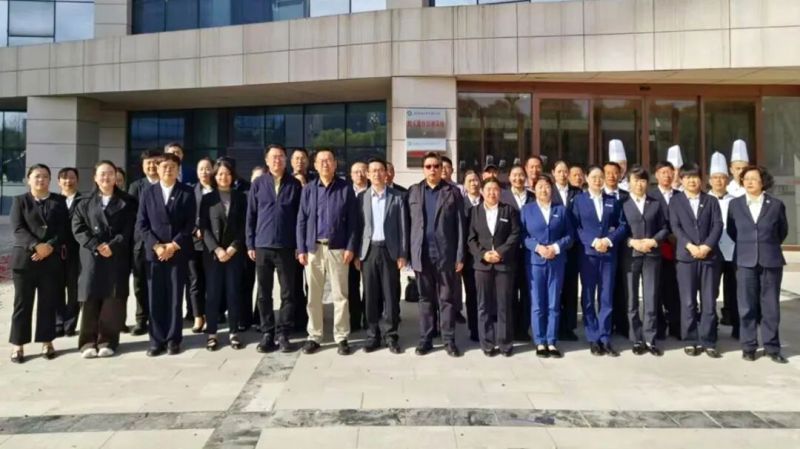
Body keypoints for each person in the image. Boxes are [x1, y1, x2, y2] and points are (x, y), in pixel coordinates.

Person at [297, 149, 359, 355]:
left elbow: (353, 222)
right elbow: (301, 220)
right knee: (313, 296)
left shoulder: (345, 188)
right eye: (321, 161)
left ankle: (341, 337)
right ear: (315, 165)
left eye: (329, 160)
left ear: (335, 164)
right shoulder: (308, 189)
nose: (325, 163)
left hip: (338, 249)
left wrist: (350, 247)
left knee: (341, 295)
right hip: (313, 249)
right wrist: (301, 248)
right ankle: (314, 336)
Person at [72, 161, 137, 358]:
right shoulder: (84, 202)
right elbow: (78, 227)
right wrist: (96, 245)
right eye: (102, 174)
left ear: (116, 177)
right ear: (95, 177)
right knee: (90, 298)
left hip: (116, 255)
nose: (106, 177)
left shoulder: (128, 201)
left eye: (110, 173)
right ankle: (87, 342)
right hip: (92, 257)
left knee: (113, 299)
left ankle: (108, 341)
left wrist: (113, 245)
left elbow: (130, 228)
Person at [136, 153, 196, 356]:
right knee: (155, 298)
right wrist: (157, 246)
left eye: (172, 166)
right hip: (155, 254)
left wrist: (173, 245)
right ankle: (156, 340)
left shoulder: (187, 192)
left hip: (176, 252)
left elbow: (190, 223)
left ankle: (173, 339)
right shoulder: (148, 192)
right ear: (157, 169)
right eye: (164, 166)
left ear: (178, 169)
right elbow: (141, 224)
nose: (168, 170)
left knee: (175, 298)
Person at [727, 166, 788, 363]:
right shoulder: (735, 205)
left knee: (770, 306)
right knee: (746, 306)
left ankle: (772, 347)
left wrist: (765, 245)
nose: (749, 182)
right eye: (746, 178)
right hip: (745, 260)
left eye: (754, 178)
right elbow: (732, 231)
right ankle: (749, 346)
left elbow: (782, 231)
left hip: (770, 260)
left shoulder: (776, 205)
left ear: (763, 181)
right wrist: (749, 246)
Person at [9, 164, 68, 363]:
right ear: (29, 179)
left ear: (50, 180)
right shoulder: (20, 201)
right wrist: (36, 246)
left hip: (50, 262)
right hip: (24, 262)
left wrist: (49, 246)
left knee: (47, 303)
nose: (41, 180)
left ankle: (47, 342)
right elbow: (18, 228)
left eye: (45, 176)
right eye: (37, 176)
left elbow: (63, 229)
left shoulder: (59, 201)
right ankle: (18, 345)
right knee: (22, 304)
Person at [408, 152, 465, 357]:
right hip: (421, 254)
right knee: (425, 298)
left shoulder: (452, 192)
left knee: (446, 299)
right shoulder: (414, 192)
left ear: (442, 169)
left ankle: (449, 339)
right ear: (423, 169)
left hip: (445, 255)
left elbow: (461, 226)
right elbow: (407, 224)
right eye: (428, 166)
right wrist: (407, 254)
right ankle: (426, 339)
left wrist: (459, 256)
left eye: (436, 166)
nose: (432, 170)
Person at [247, 144, 303, 353]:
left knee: (288, 293)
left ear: (286, 160)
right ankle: (267, 332)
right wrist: (250, 243)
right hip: (262, 245)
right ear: (267, 160)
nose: (277, 160)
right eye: (273, 157)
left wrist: (299, 245)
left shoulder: (294, 184)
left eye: (281, 156)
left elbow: (300, 218)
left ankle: (284, 333)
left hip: (287, 246)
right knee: (264, 293)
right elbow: (251, 216)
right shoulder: (258, 184)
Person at [669, 163, 723, 358]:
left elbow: (718, 225)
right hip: (686, 258)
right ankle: (691, 340)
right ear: (681, 180)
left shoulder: (711, 201)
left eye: (695, 177)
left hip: (709, 257)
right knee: (688, 302)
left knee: (709, 301)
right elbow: (675, 226)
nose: (692, 181)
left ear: (702, 179)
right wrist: (690, 246)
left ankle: (709, 340)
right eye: (687, 177)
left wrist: (707, 246)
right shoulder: (676, 201)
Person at [572, 166, 627, 357]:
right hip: (588, 254)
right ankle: (592, 337)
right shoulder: (579, 201)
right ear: (586, 178)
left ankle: (605, 337)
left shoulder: (612, 200)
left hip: (608, 254)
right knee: (588, 296)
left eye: (600, 177)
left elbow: (622, 225)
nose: (597, 180)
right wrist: (594, 241)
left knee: (606, 296)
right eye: (594, 176)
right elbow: (576, 227)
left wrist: (609, 240)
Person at [357, 158, 408, 354]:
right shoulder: (362, 198)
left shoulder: (397, 197)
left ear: (386, 174)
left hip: (390, 251)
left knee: (390, 295)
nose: (377, 174)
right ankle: (372, 335)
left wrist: (402, 253)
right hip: (369, 251)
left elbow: (403, 228)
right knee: (370, 295)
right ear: (368, 174)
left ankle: (391, 335)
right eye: (373, 171)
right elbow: (357, 228)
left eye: (380, 170)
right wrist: (357, 254)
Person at [521, 174, 572, 358]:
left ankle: (551, 341)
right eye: (540, 186)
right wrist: (538, 247)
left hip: (556, 262)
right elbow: (523, 235)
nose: (544, 190)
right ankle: (540, 341)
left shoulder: (561, 210)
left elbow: (570, 236)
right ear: (534, 189)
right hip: (535, 262)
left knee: (553, 303)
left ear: (552, 189)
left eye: (547, 186)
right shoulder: (527, 210)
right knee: (537, 303)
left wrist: (556, 247)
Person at [468, 177, 520, 357]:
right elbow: (470, 238)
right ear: (482, 192)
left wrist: (500, 252)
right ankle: (487, 343)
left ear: (500, 192)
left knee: (504, 304)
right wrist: (483, 254)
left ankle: (505, 343)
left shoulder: (509, 210)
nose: (492, 193)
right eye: (488, 189)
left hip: (503, 264)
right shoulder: (474, 212)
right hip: (482, 266)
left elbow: (515, 234)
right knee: (483, 305)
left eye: (495, 189)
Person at [620, 167, 668, 356]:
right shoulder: (623, 203)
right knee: (631, 298)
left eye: (642, 181)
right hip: (630, 256)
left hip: (651, 255)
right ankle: (636, 338)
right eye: (635, 180)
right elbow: (618, 229)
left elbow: (664, 227)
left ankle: (650, 338)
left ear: (647, 183)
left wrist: (653, 241)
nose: (639, 184)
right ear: (629, 183)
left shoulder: (655, 203)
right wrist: (631, 242)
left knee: (651, 297)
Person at [200, 159, 247, 351]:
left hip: (234, 254)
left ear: (232, 176)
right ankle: (212, 333)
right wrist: (217, 249)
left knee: (233, 292)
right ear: (215, 176)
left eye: (227, 173)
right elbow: (203, 227)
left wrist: (234, 247)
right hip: (214, 255)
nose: (223, 177)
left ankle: (233, 332)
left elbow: (245, 225)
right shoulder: (208, 199)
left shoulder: (241, 197)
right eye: (220, 174)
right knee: (213, 294)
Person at [127, 150, 162, 335]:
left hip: (162, 244)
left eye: (155, 163)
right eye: (148, 163)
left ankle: (158, 319)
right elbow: (133, 217)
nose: (152, 166)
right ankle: (141, 320)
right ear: (142, 166)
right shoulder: (136, 187)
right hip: (141, 244)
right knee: (140, 284)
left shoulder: (165, 185)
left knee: (158, 284)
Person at [500, 164, 535, 341]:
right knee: (510, 291)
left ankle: (523, 328)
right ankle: (511, 328)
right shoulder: (503, 196)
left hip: (529, 252)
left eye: (521, 175)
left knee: (528, 291)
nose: (518, 178)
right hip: (509, 251)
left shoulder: (533, 197)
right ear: (509, 177)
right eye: (514, 175)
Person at [708, 152, 738, 338]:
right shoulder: (704, 200)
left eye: (722, 177)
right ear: (709, 180)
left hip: (733, 250)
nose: (719, 181)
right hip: (711, 251)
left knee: (734, 290)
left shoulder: (736, 201)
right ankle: (711, 326)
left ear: (727, 179)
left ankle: (735, 325)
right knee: (710, 291)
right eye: (715, 177)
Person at [551, 160, 582, 341]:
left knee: (570, 287)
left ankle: (568, 327)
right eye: (559, 171)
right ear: (553, 173)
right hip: (554, 247)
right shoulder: (548, 190)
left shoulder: (577, 192)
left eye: (565, 171)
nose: (563, 174)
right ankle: (554, 325)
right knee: (556, 288)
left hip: (572, 246)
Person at [650, 160, 681, 339]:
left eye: (670, 172)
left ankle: (676, 325)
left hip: (678, 250)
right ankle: (659, 327)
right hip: (658, 249)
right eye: (663, 172)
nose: (667, 176)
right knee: (657, 290)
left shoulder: (680, 196)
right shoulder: (651, 196)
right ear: (656, 175)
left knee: (675, 290)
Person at [603, 161, 630, 338]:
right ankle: (607, 323)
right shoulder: (599, 195)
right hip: (605, 247)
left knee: (623, 286)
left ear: (620, 175)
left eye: (615, 173)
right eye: (608, 173)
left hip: (625, 247)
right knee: (607, 288)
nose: (612, 176)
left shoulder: (627, 196)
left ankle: (622, 323)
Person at [188, 157, 214, 333]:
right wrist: (195, 230)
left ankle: (212, 315)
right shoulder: (190, 191)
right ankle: (198, 316)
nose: (204, 172)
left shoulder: (218, 190)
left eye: (207, 168)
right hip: (194, 243)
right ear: (197, 173)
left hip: (214, 244)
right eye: (201, 169)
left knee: (212, 282)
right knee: (195, 281)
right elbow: (184, 216)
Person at [56, 167, 82, 337]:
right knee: (56, 288)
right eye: (64, 178)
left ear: (77, 180)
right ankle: (58, 322)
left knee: (74, 289)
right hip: (55, 251)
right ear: (59, 182)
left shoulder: (84, 200)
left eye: (72, 178)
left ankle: (70, 324)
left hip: (77, 251)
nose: (68, 181)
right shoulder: (53, 201)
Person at [461, 170, 482, 341]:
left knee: (486, 295)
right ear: (464, 185)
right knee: (472, 293)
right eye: (470, 181)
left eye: (476, 180)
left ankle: (487, 326)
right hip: (468, 258)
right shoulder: (459, 204)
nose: (474, 183)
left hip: (486, 255)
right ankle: (474, 328)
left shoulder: (488, 201)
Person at [348, 161, 369, 330]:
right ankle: (354, 319)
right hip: (349, 246)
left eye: (362, 171)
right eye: (356, 172)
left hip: (369, 247)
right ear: (351, 175)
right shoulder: (345, 192)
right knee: (351, 286)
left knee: (370, 286)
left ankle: (369, 319)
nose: (359, 175)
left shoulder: (373, 192)